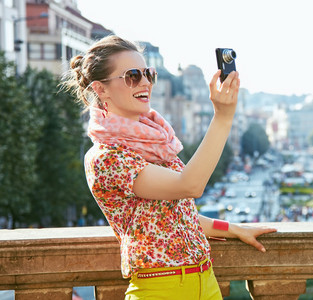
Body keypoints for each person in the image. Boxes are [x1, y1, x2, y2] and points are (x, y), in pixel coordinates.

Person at [62, 35, 276, 300]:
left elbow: (176, 216)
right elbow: (190, 186)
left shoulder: (156, 142)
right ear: (101, 89)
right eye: (132, 76)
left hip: (206, 282)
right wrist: (223, 116)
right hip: (159, 289)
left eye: (148, 74)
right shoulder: (105, 157)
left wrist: (233, 228)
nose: (144, 83)